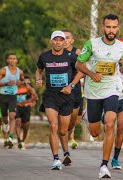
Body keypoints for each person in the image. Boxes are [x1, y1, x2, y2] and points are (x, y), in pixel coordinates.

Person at [76, 14, 123, 178]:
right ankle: (88, 116)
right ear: (103, 27)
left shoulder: (121, 46)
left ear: (118, 28)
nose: (111, 30)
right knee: (95, 132)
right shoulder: (92, 44)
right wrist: (91, 74)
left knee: (110, 123)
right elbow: (78, 63)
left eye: (114, 27)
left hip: (112, 88)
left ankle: (104, 165)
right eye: (108, 27)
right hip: (93, 91)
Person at [36, 30, 83, 170]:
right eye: (55, 40)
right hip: (50, 96)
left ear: (64, 42)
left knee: (63, 130)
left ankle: (66, 151)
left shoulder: (71, 56)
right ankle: (56, 159)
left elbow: (81, 70)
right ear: (52, 41)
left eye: (60, 40)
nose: (58, 42)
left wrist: (72, 85)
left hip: (66, 97)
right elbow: (38, 70)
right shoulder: (44, 56)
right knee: (53, 126)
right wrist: (38, 79)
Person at [0, 54, 24, 148]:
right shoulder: (3, 70)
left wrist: (20, 83)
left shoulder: (20, 72)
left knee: (12, 116)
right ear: (7, 60)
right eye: (10, 58)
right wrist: (6, 83)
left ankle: (10, 138)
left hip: (12, 97)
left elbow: (22, 82)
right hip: (3, 96)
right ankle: (5, 125)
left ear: (16, 61)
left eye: (14, 58)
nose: (12, 60)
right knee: (5, 119)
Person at [62, 30, 84, 149]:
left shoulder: (78, 52)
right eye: (62, 38)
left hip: (74, 89)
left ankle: (69, 134)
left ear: (72, 40)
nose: (64, 40)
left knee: (72, 122)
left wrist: (73, 83)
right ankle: (64, 151)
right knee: (60, 123)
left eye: (67, 38)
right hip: (59, 91)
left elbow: (85, 71)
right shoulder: (55, 53)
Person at [15, 76, 38, 150]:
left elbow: (35, 97)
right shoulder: (15, 87)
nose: (25, 82)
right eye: (24, 81)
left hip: (26, 108)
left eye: (27, 82)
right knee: (18, 122)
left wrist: (28, 102)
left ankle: (23, 141)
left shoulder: (29, 88)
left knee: (26, 126)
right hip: (17, 107)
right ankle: (19, 139)